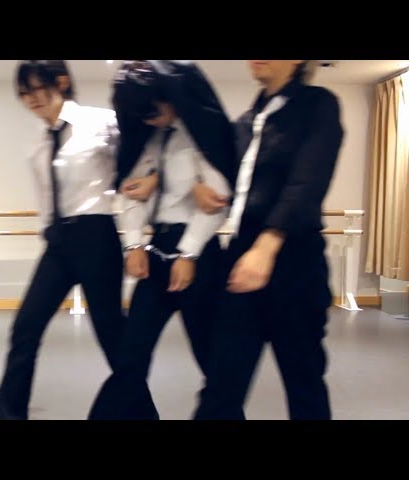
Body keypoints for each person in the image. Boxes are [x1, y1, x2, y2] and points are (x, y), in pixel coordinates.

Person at [193, 60, 344, 420]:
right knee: (221, 384)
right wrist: (200, 188)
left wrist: (267, 246)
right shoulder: (245, 123)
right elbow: (225, 178)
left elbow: (307, 182)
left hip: (294, 259)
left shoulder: (318, 104)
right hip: (241, 258)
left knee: (303, 382)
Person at [88, 60, 236, 419]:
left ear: (171, 97)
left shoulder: (203, 134)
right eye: (142, 115)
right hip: (157, 253)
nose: (149, 120)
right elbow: (130, 193)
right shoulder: (151, 138)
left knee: (213, 363)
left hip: (200, 258)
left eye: (153, 111)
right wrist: (133, 244)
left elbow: (216, 201)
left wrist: (189, 254)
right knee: (130, 357)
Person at [0, 60, 125, 420]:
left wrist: (150, 181)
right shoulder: (36, 141)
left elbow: (139, 159)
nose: (31, 99)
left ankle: (142, 412)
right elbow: (45, 196)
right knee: (25, 327)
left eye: (37, 88)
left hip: (97, 234)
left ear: (61, 81)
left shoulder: (102, 121)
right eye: (23, 93)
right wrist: (48, 232)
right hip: (59, 242)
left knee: (112, 336)